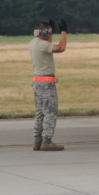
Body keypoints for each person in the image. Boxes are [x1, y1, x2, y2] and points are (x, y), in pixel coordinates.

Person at [29, 19, 68, 151]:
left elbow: (48, 44)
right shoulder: (42, 45)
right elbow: (61, 48)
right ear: (44, 32)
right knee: (50, 112)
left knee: (40, 112)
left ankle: (37, 141)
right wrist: (63, 32)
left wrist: (51, 32)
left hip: (37, 82)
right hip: (46, 83)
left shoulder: (34, 43)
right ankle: (47, 141)